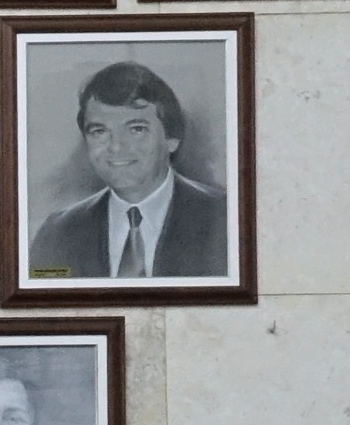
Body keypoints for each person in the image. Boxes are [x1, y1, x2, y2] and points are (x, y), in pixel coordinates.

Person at [30, 62, 229, 281]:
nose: (116, 147)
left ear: (172, 139)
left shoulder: (226, 219)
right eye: (99, 131)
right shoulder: (58, 235)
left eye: (136, 129)